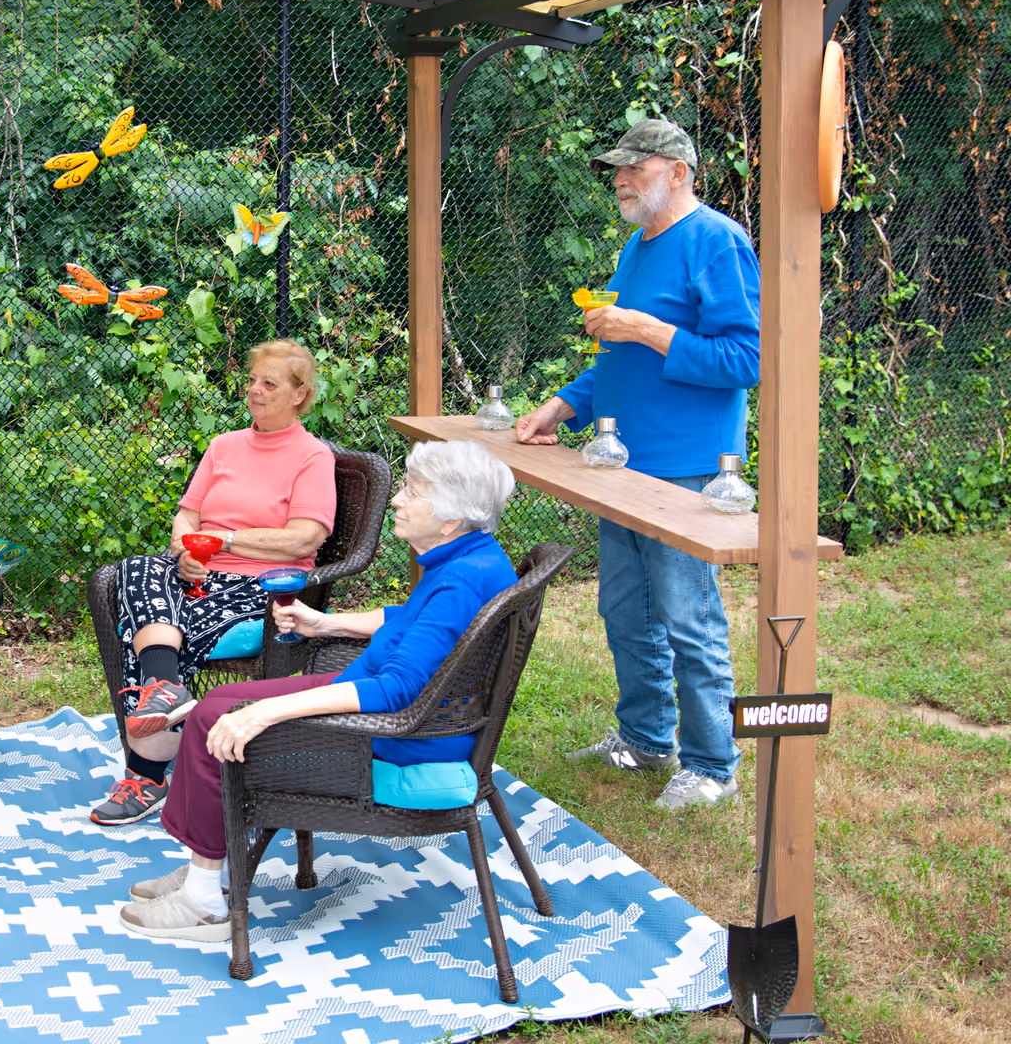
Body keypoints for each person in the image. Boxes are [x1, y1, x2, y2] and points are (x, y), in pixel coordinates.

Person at [115, 440, 518, 942]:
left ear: (451, 517)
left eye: (413, 492)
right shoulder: (473, 559)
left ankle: (201, 901)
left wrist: (265, 714)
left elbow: (397, 689)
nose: (397, 500)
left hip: (396, 734)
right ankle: (208, 863)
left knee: (215, 719)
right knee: (220, 703)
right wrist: (324, 623)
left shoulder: (457, 579)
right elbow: (412, 624)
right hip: (406, 708)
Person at [515, 117, 760, 812]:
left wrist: (650, 330)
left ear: (679, 173)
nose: (620, 179)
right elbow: (616, 362)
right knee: (625, 609)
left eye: (635, 168)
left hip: (687, 468)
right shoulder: (636, 246)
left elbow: (748, 359)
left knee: (689, 618)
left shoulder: (717, 241)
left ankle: (713, 766)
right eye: (617, 169)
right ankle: (646, 739)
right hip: (620, 461)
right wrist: (561, 407)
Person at [91, 339, 337, 828]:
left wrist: (223, 541)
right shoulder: (224, 446)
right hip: (200, 573)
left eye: (269, 383)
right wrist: (185, 552)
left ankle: (146, 775)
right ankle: (164, 687)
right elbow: (186, 517)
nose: (255, 390)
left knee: (149, 625)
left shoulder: (313, 457)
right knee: (137, 569)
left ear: (299, 394)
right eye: (252, 380)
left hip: (262, 586)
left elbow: (304, 538)